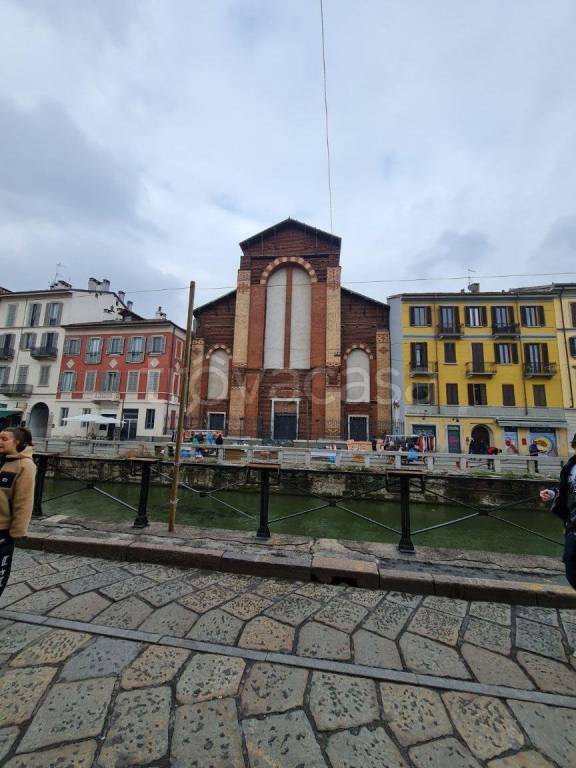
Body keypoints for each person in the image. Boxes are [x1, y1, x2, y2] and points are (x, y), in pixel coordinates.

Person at [0, 427, 36, 599]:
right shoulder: (4, 461)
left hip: (3, 529)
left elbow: (24, 501)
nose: (0, 441)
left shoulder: (25, 465)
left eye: (4, 439)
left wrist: (16, 531)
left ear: (17, 442)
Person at [540, 433, 576, 590]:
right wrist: (553, 493)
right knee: (571, 564)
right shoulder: (571, 466)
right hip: (573, 526)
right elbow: (567, 489)